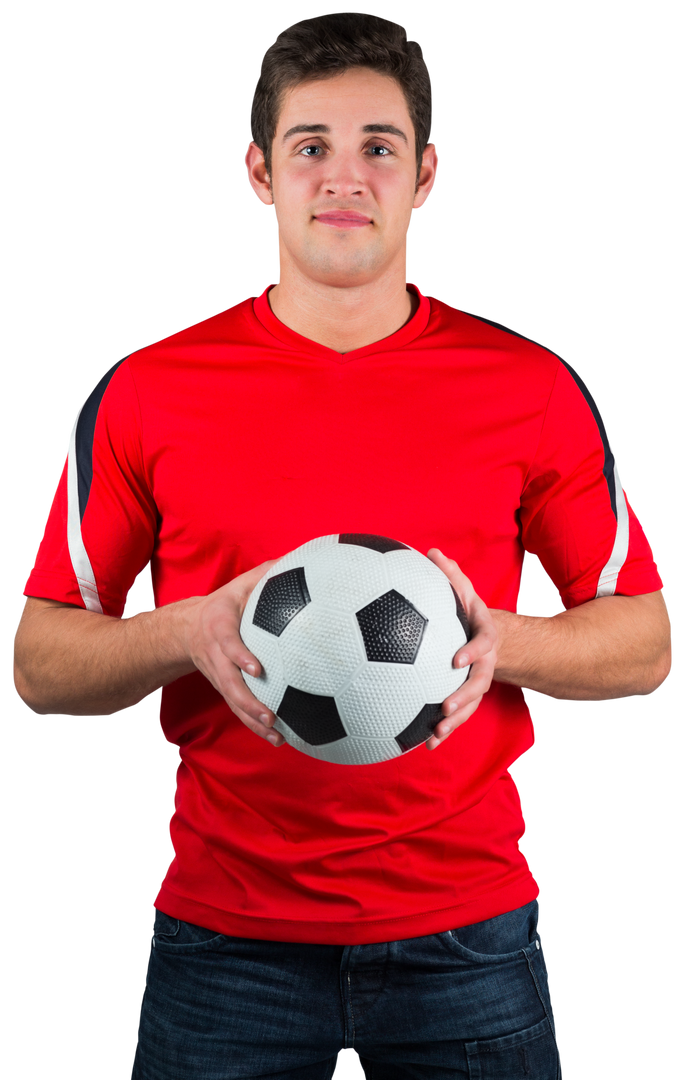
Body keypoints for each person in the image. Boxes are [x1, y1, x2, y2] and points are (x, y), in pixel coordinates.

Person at [11, 11, 672, 1080]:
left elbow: (644, 642)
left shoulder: (526, 387)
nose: (344, 178)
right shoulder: (149, 392)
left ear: (426, 176)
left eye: (379, 147)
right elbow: (42, 665)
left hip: (470, 933)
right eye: (311, 146)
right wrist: (185, 630)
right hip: (223, 942)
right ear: (259, 172)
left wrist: (496, 641)